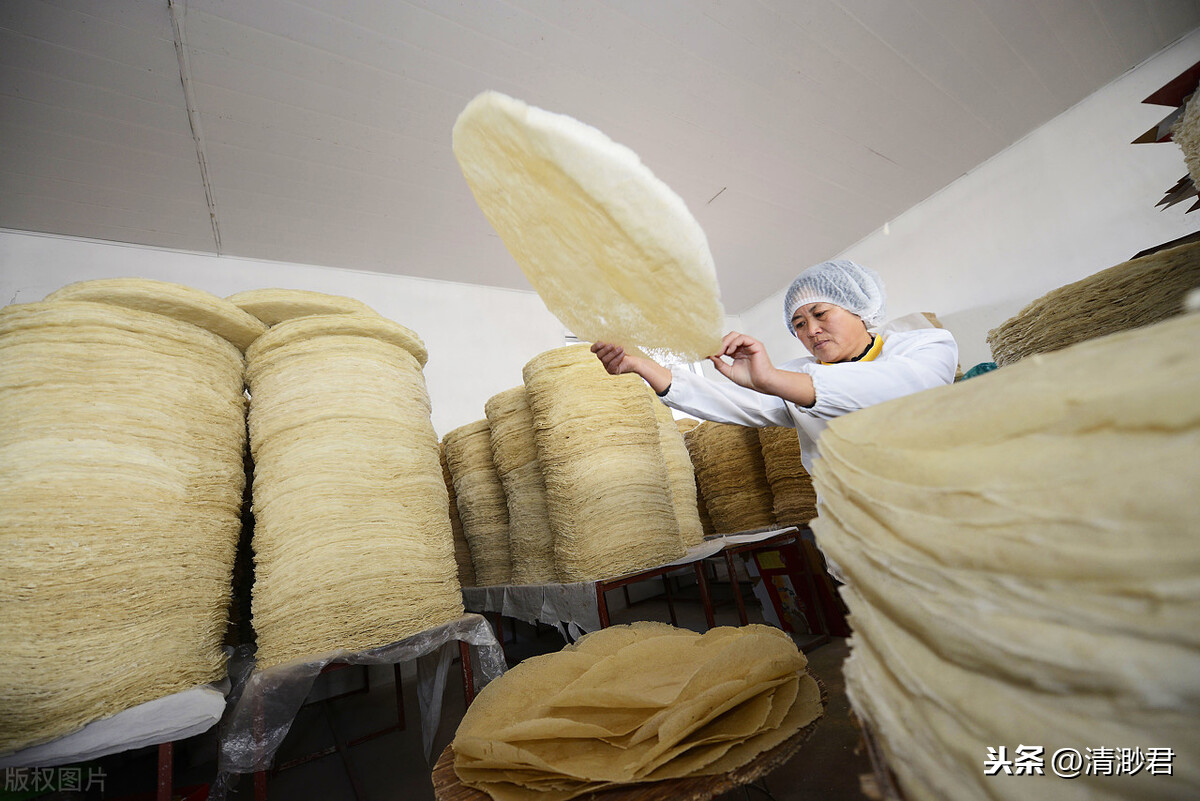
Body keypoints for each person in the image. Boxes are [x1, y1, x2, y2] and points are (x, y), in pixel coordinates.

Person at [591, 260, 958, 474]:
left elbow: (904, 387)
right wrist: (640, 365)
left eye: (820, 313)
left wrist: (772, 379)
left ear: (858, 308)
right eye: (798, 324)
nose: (811, 330)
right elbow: (722, 398)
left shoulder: (924, 345)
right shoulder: (794, 377)